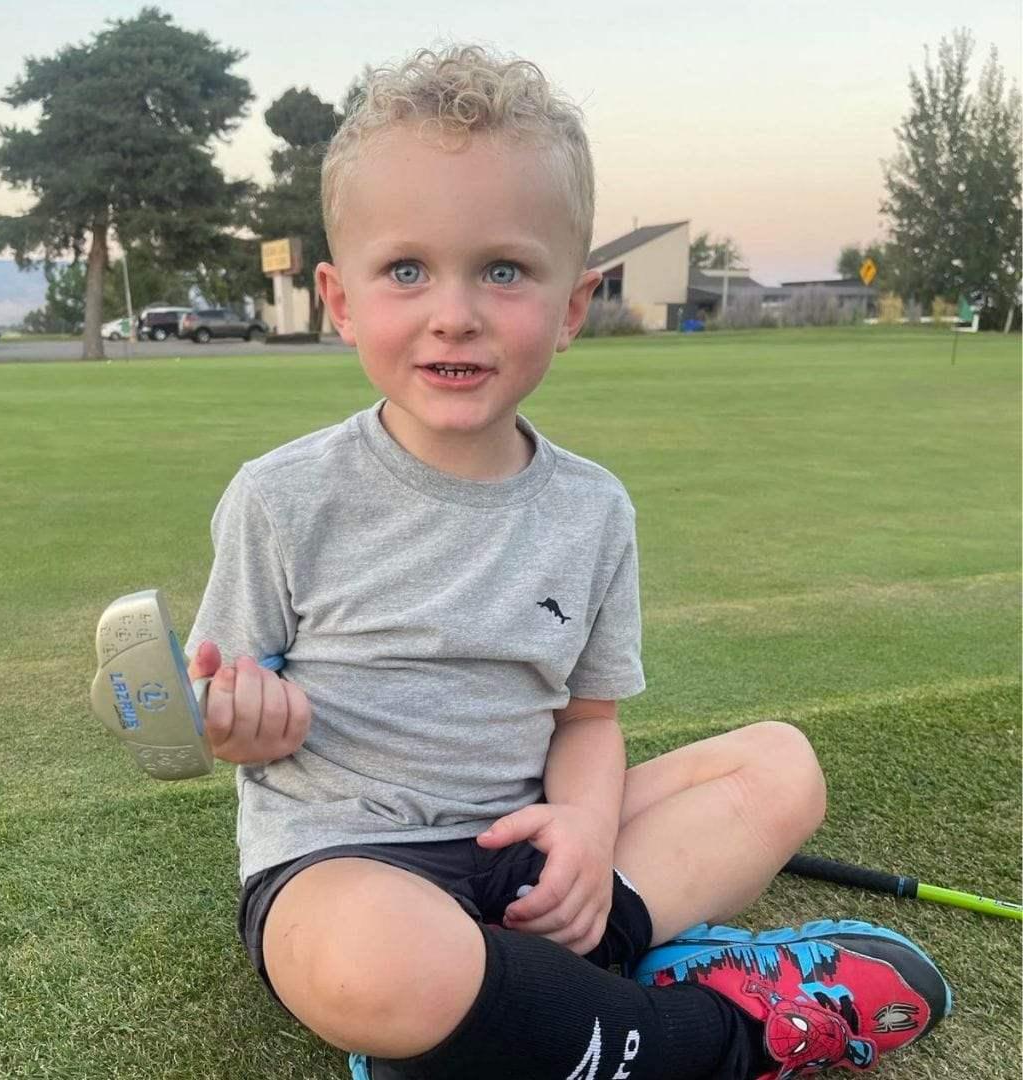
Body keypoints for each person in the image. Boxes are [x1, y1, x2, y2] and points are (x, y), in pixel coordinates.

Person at [184, 45, 950, 1080]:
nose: (455, 312)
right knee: (375, 965)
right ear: (341, 298)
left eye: (503, 270)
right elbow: (214, 700)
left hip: (529, 850)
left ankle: (518, 1008)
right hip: (348, 863)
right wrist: (238, 719)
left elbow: (587, 722)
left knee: (781, 767)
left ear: (573, 304)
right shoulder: (281, 496)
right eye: (407, 270)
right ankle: (708, 1037)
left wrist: (587, 838)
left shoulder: (593, 509)